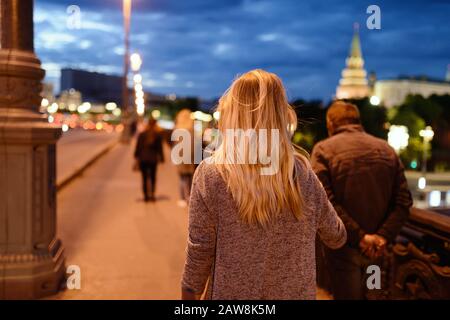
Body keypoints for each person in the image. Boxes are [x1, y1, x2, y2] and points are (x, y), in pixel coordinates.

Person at [181, 69, 346, 300]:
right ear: (281, 117)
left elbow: (200, 250)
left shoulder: (211, 174)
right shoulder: (303, 175)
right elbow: (336, 236)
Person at [311, 101, 412, 300]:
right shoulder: (387, 150)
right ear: (358, 121)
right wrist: (381, 237)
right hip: (377, 252)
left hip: (344, 251)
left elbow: (324, 203)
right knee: (373, 294)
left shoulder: (323, 150)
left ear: (330, 123)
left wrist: (360, 237)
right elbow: (403, 201)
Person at [134, 117, 164, 202]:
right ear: (155, 124)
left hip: (143, 159)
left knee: (144, 178)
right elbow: (160, 148)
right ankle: (152, 195)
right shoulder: (157, 135)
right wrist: (162, 159)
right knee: (153, 177)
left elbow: (138, 147)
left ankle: (146, 196)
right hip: (153, 159)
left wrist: (136, 156)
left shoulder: (142, 134)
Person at [173, 109, 196, 208]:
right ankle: (190, 198)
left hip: (180, 157)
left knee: (182, 178)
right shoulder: (192, 129)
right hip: (190, 157)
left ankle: (182, 198)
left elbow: (174, 145)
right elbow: (195, 145)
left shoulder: (177, 128)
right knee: (190, 178)